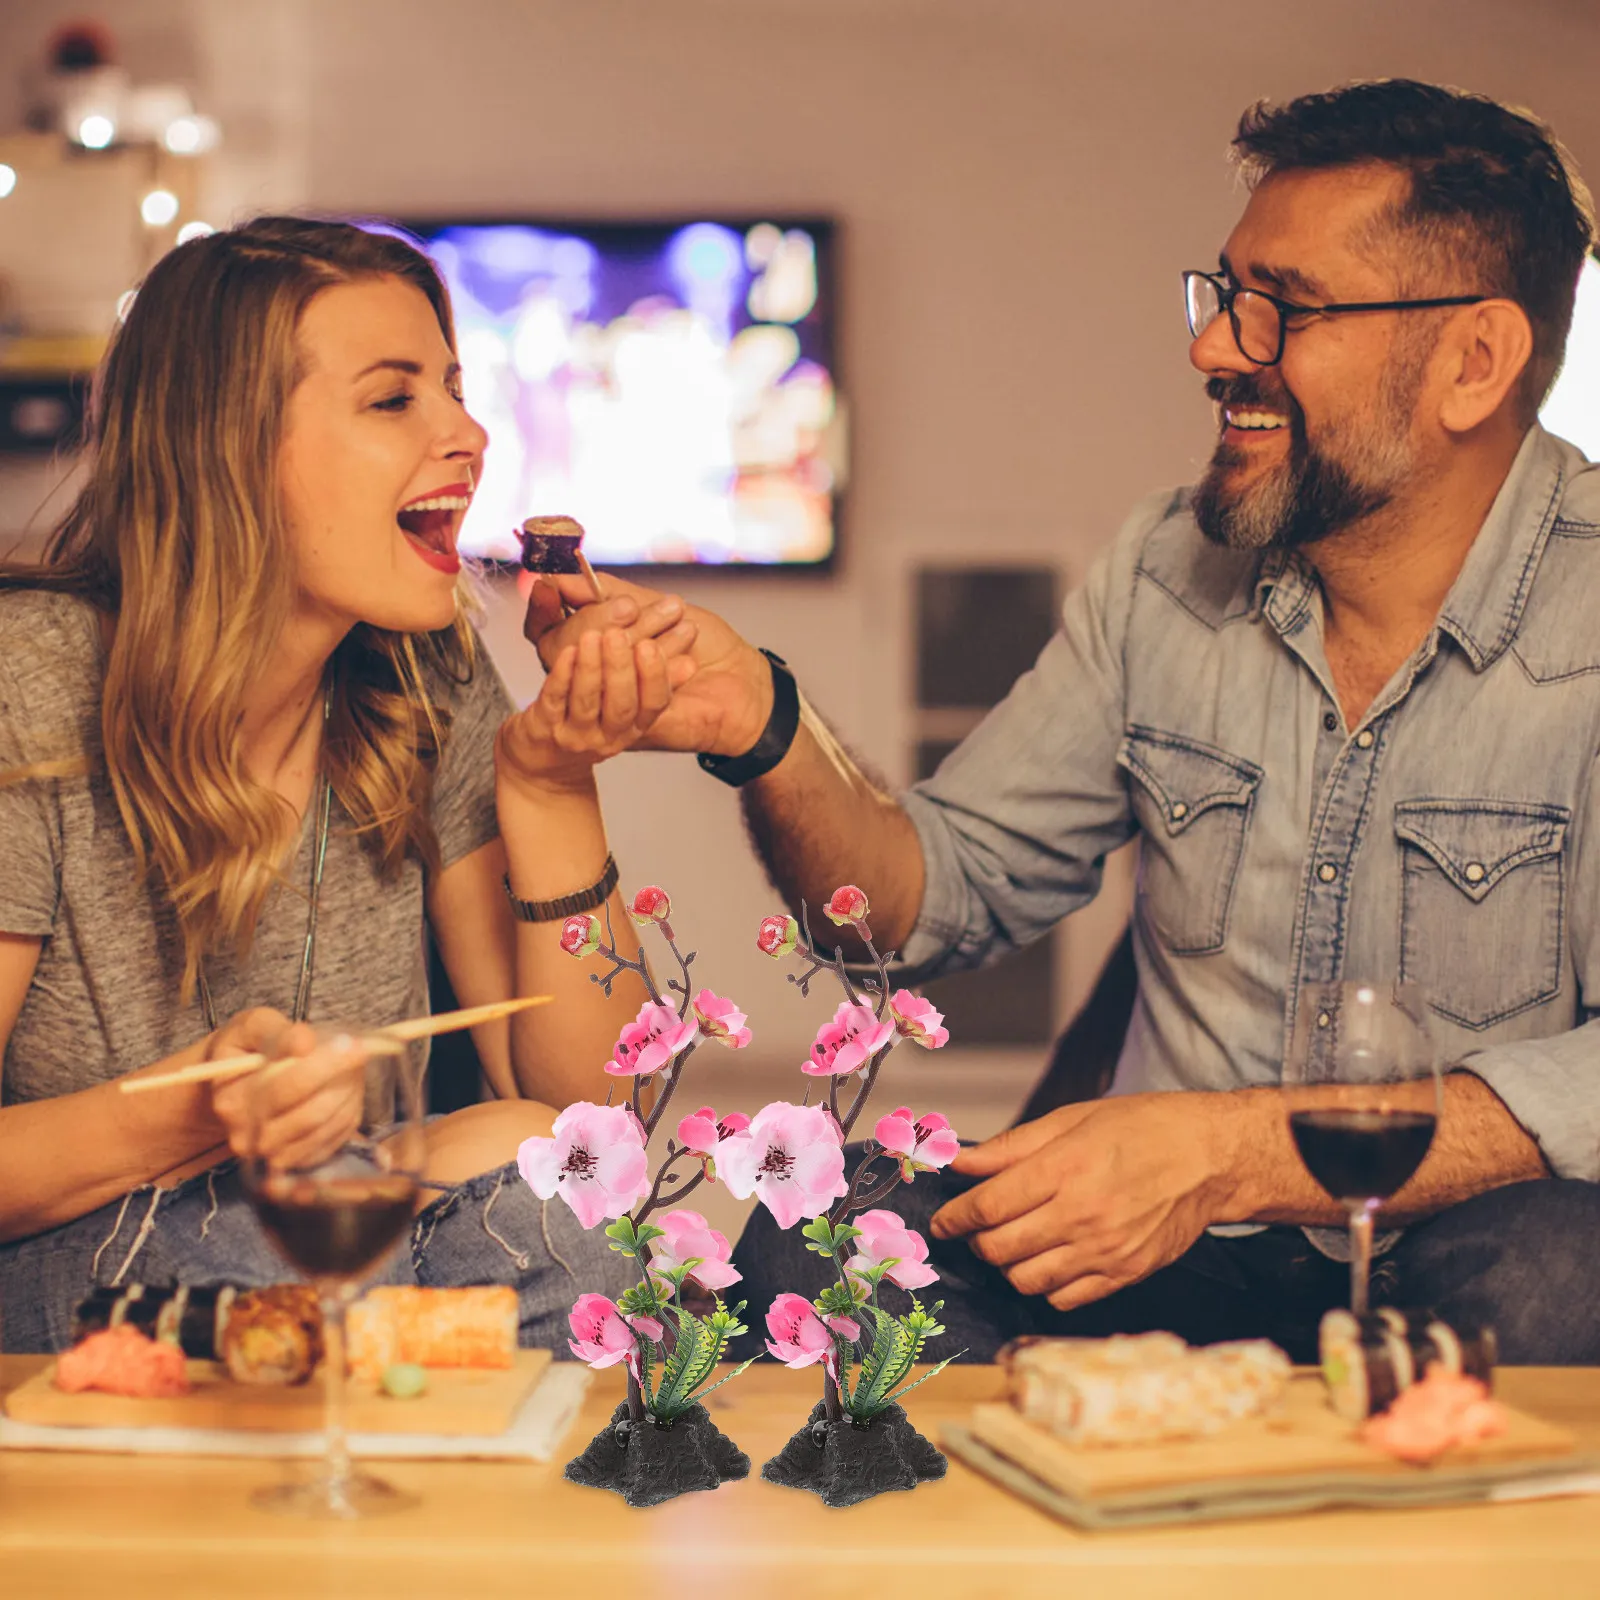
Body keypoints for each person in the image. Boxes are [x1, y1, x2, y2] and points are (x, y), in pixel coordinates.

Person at [526, 80, 1600, 1364]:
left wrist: (1228, 1150)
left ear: (1473, 362)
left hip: (1467, 1237)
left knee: (1555, 1276)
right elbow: (929, 903)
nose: (1213, 348)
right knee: (806, 1234)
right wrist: (763, 722)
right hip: (1172, 1254)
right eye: (1222, 294)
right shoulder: (1165, 569)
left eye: (1285, 310)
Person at [0, 217, 695, 1353]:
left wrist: (552, 780)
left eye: (455, 388)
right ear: (225, 448)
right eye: (393, 399)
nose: (467, 434)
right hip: (85, 1246)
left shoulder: (427, 675)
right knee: (280, 1263)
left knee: (580, 1233)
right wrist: (207, 1112)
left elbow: (593, 1124)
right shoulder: (27, 683)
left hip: (342, 1227)